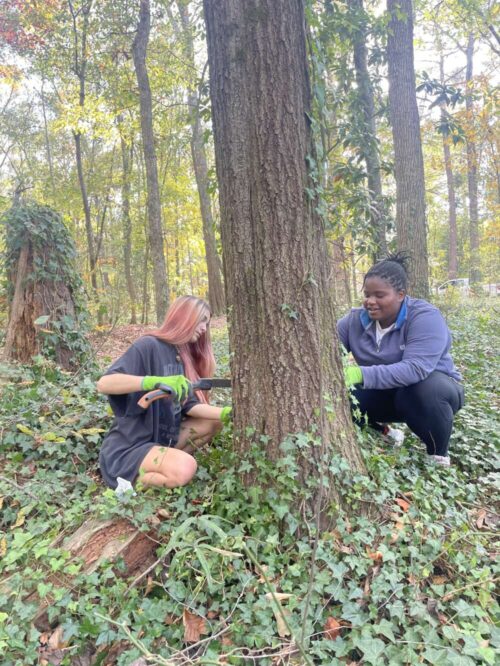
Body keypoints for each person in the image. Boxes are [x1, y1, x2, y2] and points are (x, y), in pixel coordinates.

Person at [337, 253, 464, 466]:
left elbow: (415, 369)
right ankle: (386, 433)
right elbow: (326, 351)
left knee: (424, 390)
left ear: (401, 294)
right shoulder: (353, 321)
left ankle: (437, 455)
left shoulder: (424, 317)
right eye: (367, 294)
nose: (370, 302)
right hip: (385, 394)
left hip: (428, 393)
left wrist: (359, 373)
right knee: (342, 395)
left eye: (379, 295)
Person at [96, 296, 231, 489]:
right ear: (185, 317)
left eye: (207, 323)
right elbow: (104, 383)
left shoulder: (181, 356)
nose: (204, 329)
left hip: (159, 442)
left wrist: (227, 413)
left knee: (213, 422)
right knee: (186, 467)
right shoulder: (149, 345)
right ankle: (128, 483)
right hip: (129, 448)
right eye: (202, 320)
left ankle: (166, 466)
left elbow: (191, 406)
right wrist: (153, 381)